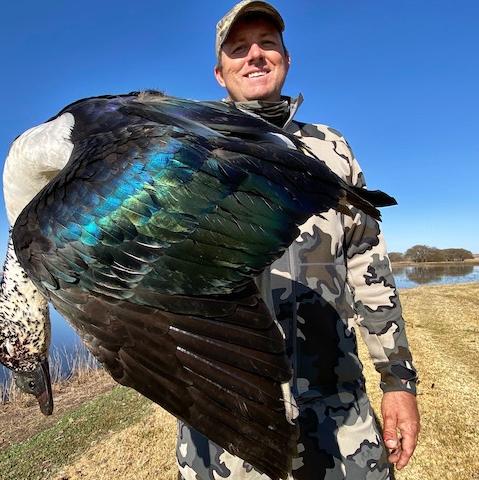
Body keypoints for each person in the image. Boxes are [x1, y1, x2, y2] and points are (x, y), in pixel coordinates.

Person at [175, 2, 420, 479]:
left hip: (336, 409)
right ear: (219, 72)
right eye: (239, 48)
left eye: (268, 43)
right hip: (226, 412)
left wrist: (398, 380)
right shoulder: (184, 157)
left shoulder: (332, 148)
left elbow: (368, 266)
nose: (255, 56)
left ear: (286, 58)